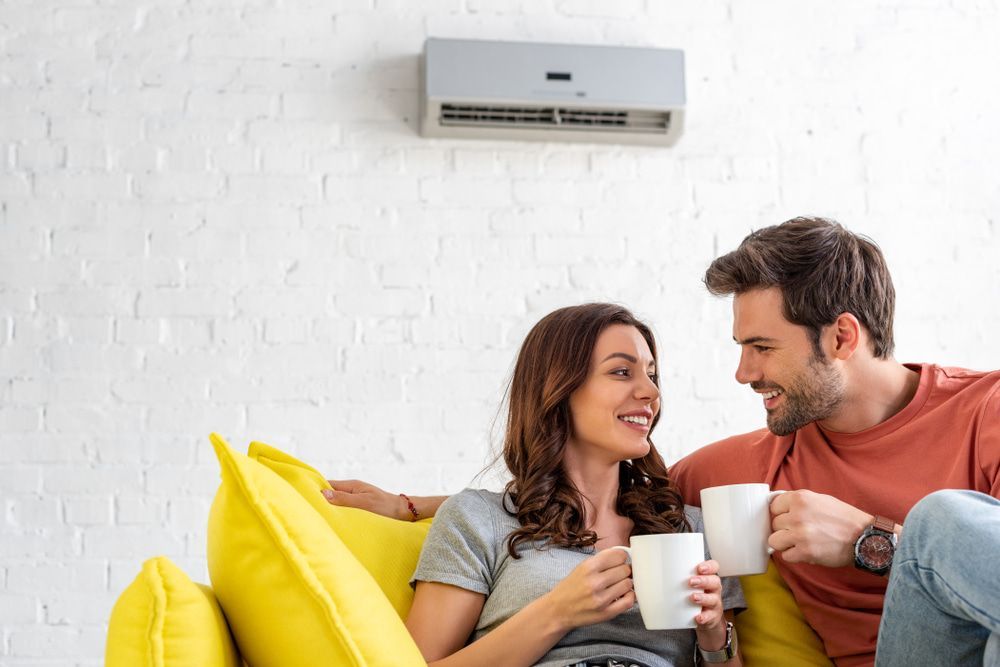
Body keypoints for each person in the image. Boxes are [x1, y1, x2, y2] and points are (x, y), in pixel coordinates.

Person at [329, 218, 1000, 666]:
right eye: (623, 372)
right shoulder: (740, 475)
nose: (743, 373)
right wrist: (413, 504)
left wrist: (870, 541)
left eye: (761, 347)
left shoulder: (985, 410)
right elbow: (583, 492)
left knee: (946, 520)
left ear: (843, 337)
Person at [336, 303, 746, 667]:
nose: (651, 392)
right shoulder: (478, 520)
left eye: (653, 375)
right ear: (559, 388)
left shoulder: (688, 529)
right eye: (622, 372)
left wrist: (714, 634)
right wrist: (557, 612)